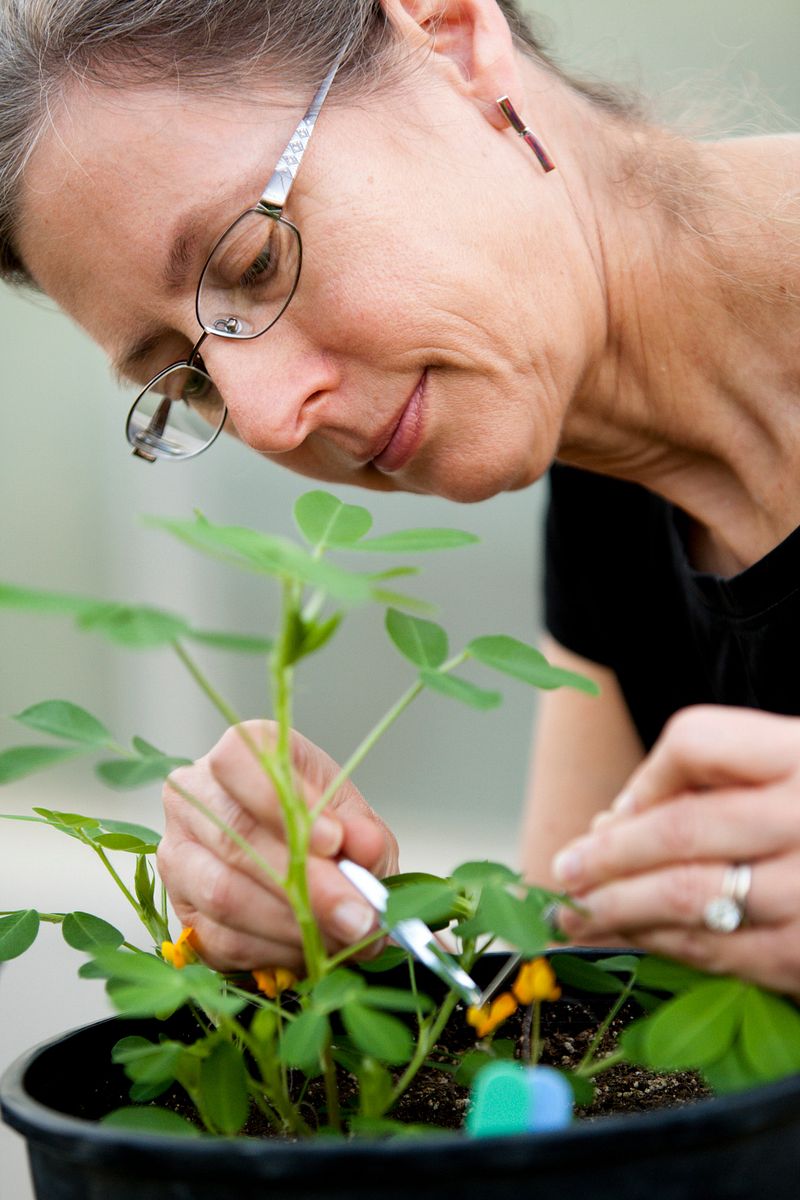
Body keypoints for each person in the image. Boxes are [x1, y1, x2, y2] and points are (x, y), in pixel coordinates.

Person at [2, 0, 800, 997]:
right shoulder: (614, 483)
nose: (266, 419)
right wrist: (352, 934)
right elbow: (583, 1010)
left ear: (451, 40)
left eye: (255, 262)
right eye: (192, 380)